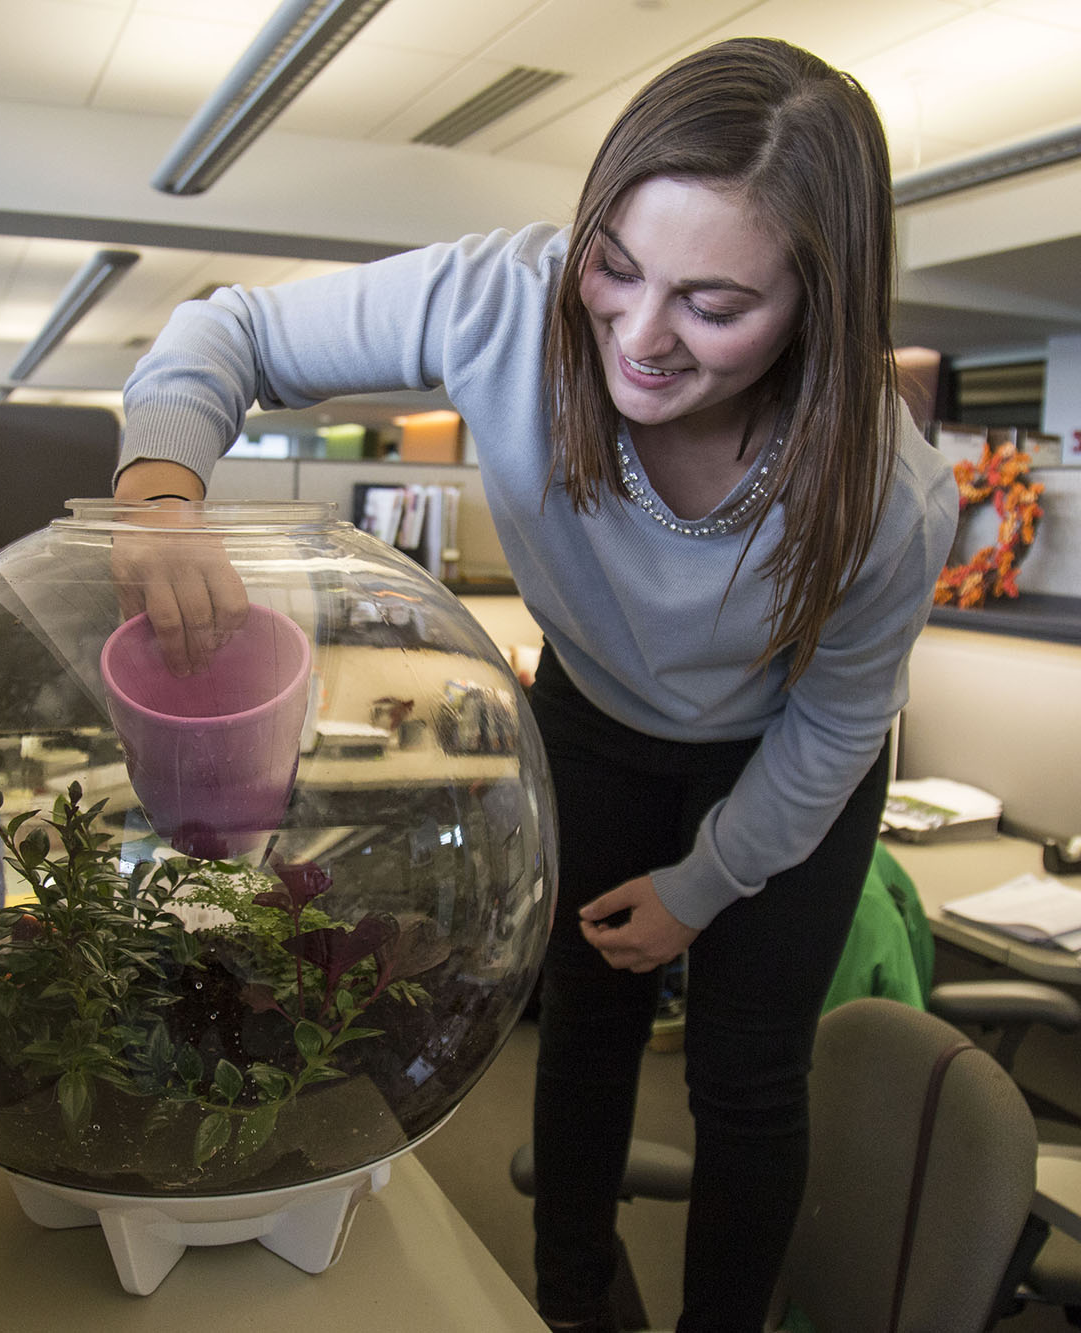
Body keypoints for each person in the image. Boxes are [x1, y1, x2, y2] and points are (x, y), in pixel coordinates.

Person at [111, 37, 956, 1332]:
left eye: (714, 304)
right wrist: (161, 490)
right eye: (616, 265)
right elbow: (233, 327)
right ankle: (574, 1303)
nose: (639, 332)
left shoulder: (888, 494)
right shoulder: (502, 302)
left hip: (782, 761)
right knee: (586, 1023)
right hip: (593, 718)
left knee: (746, 1079)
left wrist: (703, 884)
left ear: (819, 305)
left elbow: (843, 714)